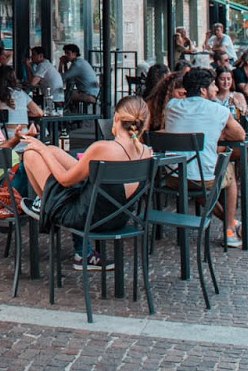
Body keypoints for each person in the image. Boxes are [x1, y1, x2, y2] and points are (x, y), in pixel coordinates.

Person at [17, 96, 154, 271]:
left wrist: (42, 149)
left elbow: (65, 179)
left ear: (117, 118)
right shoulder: (146, 152)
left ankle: (45, 204)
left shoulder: (102, 148)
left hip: (87, 219)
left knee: (30, 153)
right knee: (53, 151)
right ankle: (44, 203)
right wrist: (49, 152)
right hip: (117, 218)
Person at [163, 67, 246, 248]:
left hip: (172, 177)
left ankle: (230, 222)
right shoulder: (219, 110)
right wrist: (220, 132)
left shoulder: (171, 106)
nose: (216, 89)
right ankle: (229, 231)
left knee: (199, 176)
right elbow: (240, 135)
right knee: (228, 173)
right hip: (201, 178)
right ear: (203, 90)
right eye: (213, 85)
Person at [0, 63, 42, 139]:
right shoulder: (21, 93)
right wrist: (23, 113)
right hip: (24, 136)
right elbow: (39, 112)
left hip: (4, 137)